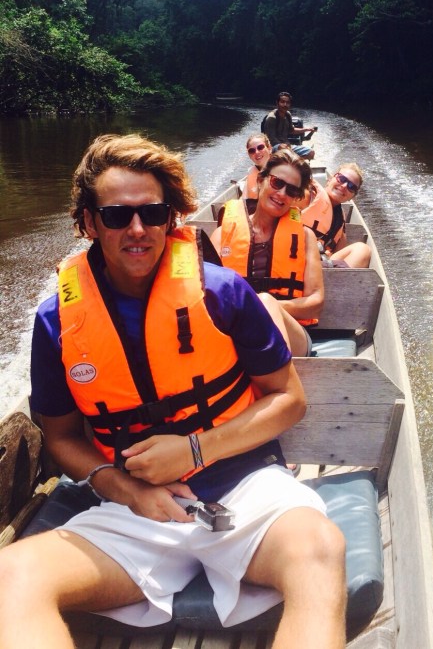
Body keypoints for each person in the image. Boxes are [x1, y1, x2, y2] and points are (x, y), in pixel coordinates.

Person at [0, 134, 346, 649]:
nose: (137, 229)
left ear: (171, 218)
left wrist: (194, 450)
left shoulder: (223, 293)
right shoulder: (57, 324)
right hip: (135, 509)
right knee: (11, 577)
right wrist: (129, 491)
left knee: (319, 550)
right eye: (117, 215)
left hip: (246, 488)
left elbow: (289, 399)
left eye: (153, 213)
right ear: (89, 222)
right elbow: (62, 437)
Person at [211, 149, 324, 358]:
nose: (282, 193)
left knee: (265, 301)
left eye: (291, 190)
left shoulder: (305, 237)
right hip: (236, 332)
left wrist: (261, 308)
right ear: (261, 180)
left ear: (296, 198)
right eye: (277, 182)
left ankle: (282, 377)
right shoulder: (222, 235)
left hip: (293, 335)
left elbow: (315, 303)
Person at [301, 163, 371, 269]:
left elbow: (338, 252)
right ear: (330, 179)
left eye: (351, 187)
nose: (344, 186)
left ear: (352, 197)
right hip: (294, 258)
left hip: (319, 266)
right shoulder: (307, 196)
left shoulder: (340, 220)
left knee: (362, 250)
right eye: (341, 179)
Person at [262, 91, 317, 160]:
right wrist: (284, 147)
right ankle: (292, 160)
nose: (285, 104)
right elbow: (270, 139)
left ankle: (294, 162)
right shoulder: (272, 118)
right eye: (282, 102)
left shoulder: (288, 115)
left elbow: (292, 130)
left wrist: (308, 129)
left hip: (287, 146)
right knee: (284, 149)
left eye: (287, 102)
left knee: (311, 153)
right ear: (277, 103)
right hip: (274, 148)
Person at [241, 131, 272, 209]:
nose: (257, 152)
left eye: (260, 147)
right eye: (251, 151)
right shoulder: (252, 173)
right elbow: (248, 203)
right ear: (249, 155)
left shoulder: (282, 168)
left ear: (269, 148)